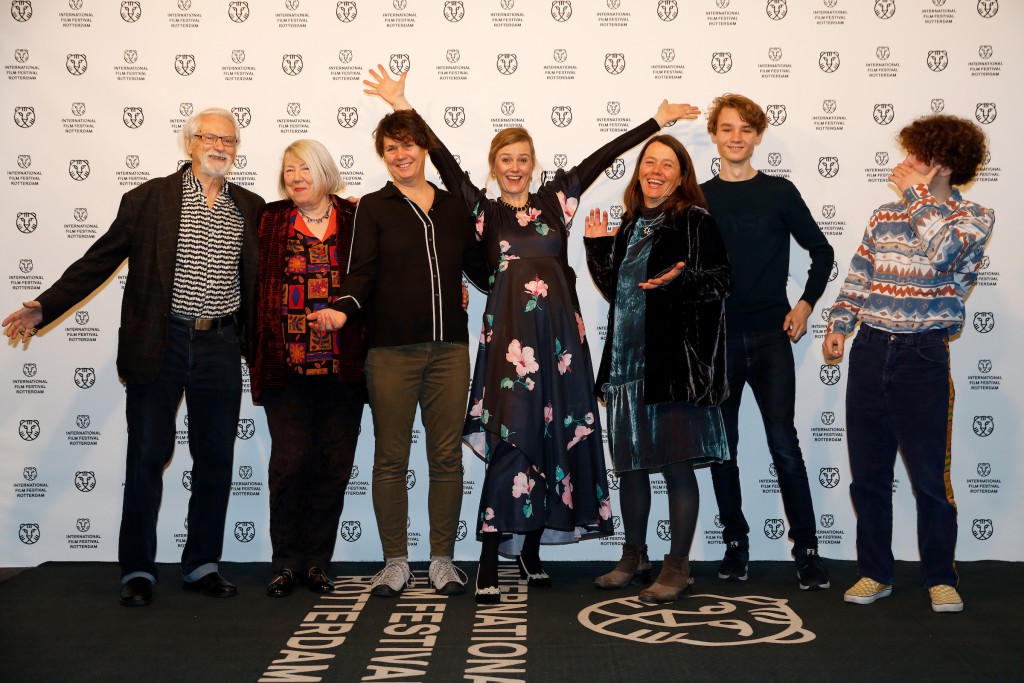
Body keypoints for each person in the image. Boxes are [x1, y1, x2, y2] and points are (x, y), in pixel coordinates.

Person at [362, 65, 700, 602]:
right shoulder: (482, 210)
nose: (515, 168)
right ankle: (492, 560)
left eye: (523, 159)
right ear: (494, 168)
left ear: (533, 164)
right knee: (511, 441)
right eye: (505, 160)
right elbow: (443, 159)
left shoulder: (556, 201)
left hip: (562, 345)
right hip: (509, 347)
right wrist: (406, 105)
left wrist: (654, 121)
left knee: (555, 441)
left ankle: (533, 552)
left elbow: (602, 157)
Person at [2, 108, 264, 606]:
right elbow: (98, 260)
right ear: (189, 142)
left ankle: (202, 564)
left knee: (216, 460)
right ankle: (138, 570)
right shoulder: (148, 199)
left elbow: (293, 247)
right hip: (159, 344)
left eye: (229, 139)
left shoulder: (250, 207)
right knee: (146, 457)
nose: (221, 146)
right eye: (210, 137)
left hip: (221, 346)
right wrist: (46, 305)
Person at [308, 110, 489, 598]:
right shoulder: (374, 206)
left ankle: (443, 561)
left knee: (446, 457)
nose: (401, 154)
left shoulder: (454, 208)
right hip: (389, 352)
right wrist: (343, 309)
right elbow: (360, 272)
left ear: (425, 148)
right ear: (383, 156)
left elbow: (483, 269)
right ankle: (394, 562)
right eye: (391, 148)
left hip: (450, 349)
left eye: (408, 144)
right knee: (390, 458)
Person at [823, 114, 993, 613]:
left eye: (914, 158)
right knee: (868, 476)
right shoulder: (883, 216)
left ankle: (940, 576)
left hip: (923, 357)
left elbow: (942, 253)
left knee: (928, 479)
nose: (902, 165)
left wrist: (917, 196)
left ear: (940, 164)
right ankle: (875, 572)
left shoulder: (975, 218)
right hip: (871, 351)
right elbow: (858, 276)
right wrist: (839, 323)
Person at [585, 136, 731, 603]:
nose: (656, 170)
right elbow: (623, 293)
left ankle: (679, 567)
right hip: (627, 366)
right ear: (639, 170)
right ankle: (635, 557)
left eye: (668, 164)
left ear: (681, 174)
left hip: (672, 366)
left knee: (675, 467)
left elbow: (722, 280)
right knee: (630, 468)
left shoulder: (693, 218)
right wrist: (594, 249)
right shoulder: (631, 225)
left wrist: (681, 279)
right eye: (650, 161)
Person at [700, 93, 833, 590]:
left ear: (758, 137)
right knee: (723, 449)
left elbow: (822, 252)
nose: (736, 137)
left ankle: (808, 552)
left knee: (784, 445)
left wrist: (804, 305)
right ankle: (736, 545)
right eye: (727, 128)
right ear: (714, 134)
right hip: (719, 341)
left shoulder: (779, 192)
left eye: (745, 130)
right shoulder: (699, 196)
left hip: (773, 337)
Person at [249, 140, 367, 597]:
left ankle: (317, 561)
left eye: (305, 169)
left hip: (344, 368)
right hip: (287, 366)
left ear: (325, 171)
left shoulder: (358, 218)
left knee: (333, 466)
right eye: (289, 170)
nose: (296, 177)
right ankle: (285, 562)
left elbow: (386, 271)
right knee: (290, 462)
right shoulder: (270, 219)